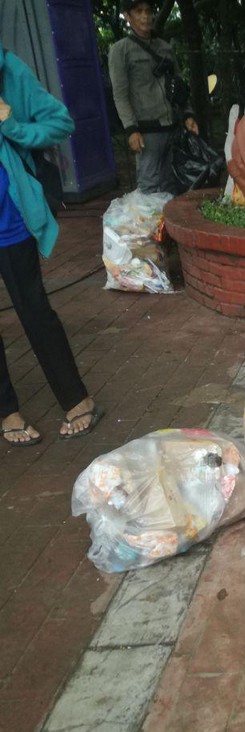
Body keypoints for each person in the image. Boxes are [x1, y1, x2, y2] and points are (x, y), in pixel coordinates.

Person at [0, 44, 100, 445]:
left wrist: (13, 126)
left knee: (34, 310)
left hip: (9, 221)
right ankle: (6, 411)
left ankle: (77, 399)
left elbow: (61, 123)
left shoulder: (10, 72)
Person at [108, 0, 198, 194]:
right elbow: (120, 95)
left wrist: (188, 114)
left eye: (148, 11)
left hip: (173, 127)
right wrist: (131, 129)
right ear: (128, 16)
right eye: (139, 11)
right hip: (146, 132)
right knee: (149, 187)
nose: (145, 16)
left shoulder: (164, 48)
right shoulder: (120, 50)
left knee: (173, 184)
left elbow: (179, 87)